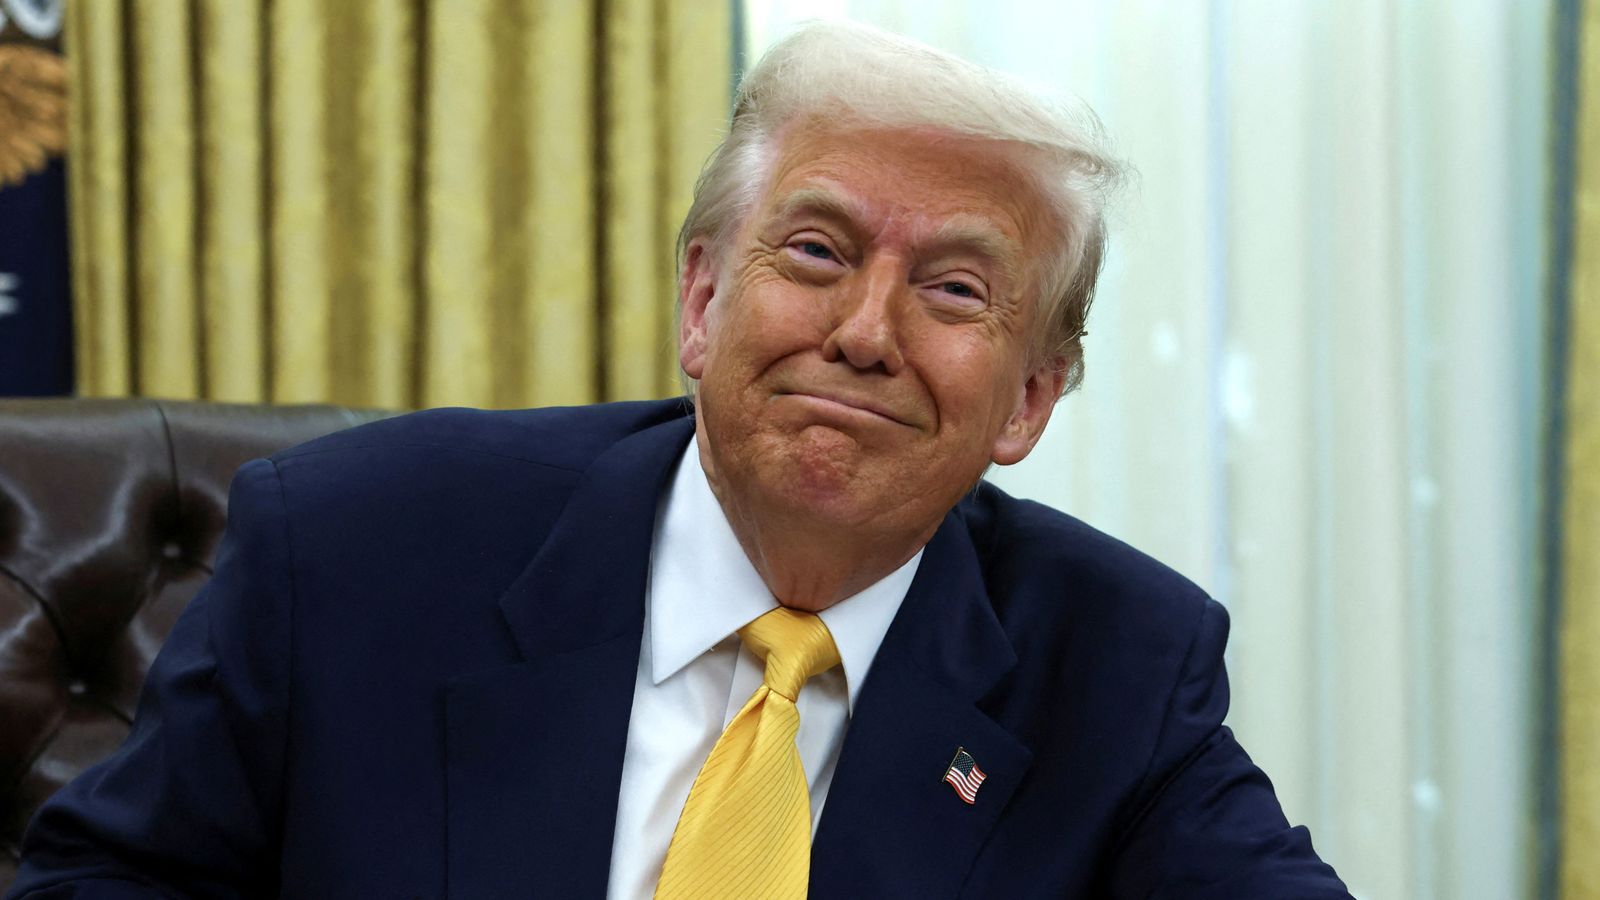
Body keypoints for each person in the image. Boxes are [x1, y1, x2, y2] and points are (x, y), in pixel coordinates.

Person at [9, 21, 1351, 900]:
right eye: (817, 253)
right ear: (702, 303)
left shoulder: (1112, 663)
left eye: (955, 292)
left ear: (1030, 399)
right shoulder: (358, 546)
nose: (866, 333)